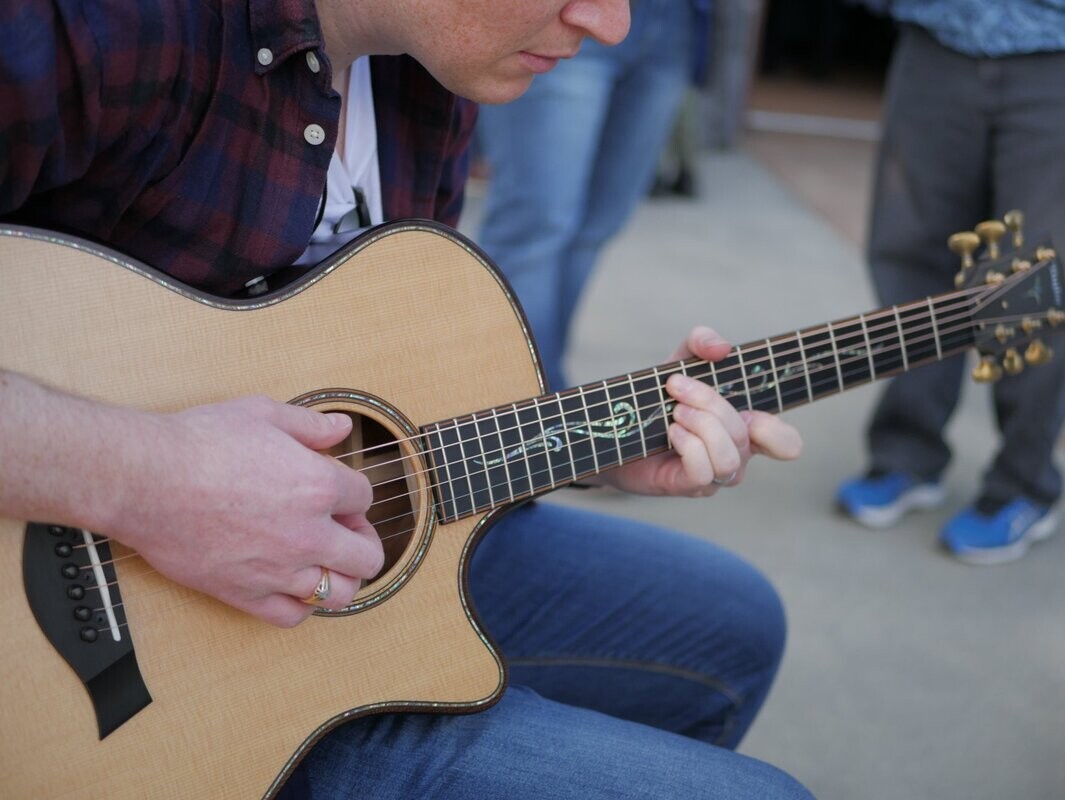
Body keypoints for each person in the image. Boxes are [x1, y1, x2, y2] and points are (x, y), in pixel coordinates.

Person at [0, 1, 812, 797]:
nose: (612, 25)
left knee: (732, 626)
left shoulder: (433, 73)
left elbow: (395, 406)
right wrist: (156, 481)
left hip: (313, 607)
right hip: (110, 703)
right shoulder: (90, 25)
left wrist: (595, 445)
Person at [836, 0, 1065, 564]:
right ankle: (907, 452)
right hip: (935, 37)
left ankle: (1023, 482)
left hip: (1052, 54)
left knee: (1031, 282)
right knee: (909, 258)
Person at [475, 0, 711, 392]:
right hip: (566, 12)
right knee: (535, 230)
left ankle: (537, 387)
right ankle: (532, 408)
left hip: (673, 23)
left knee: (598, 226)